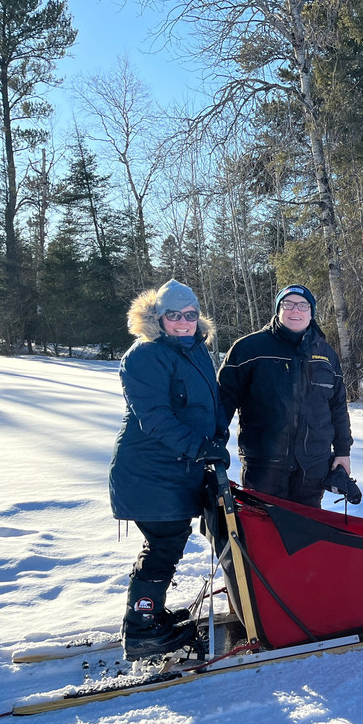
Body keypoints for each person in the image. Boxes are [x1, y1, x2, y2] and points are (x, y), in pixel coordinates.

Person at [109, 279, 230, 660]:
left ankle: (149, 615)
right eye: (173, 315)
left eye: (190, 315)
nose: (182, 322)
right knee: (164, 544)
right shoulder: (146, 355)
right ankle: (143, 629)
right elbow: (156, 419)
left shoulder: (195, 351)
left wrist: (218, 439)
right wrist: (201, 449)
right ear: (158, 318)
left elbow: (209, 404)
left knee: (167, 542)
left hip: (178, 470)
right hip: (151, 471)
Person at [218, 284, 356, 508]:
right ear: (278, 309)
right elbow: (221, 404)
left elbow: (337, 407)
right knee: (263, 534)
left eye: (303, 305)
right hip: (264, 467)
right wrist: (215, 449)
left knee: (308, 535)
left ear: (311, 312)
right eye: (288, 304)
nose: (295, 311)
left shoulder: (326, 354)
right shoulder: (248, 349)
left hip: (312, 468)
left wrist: (343, 452)